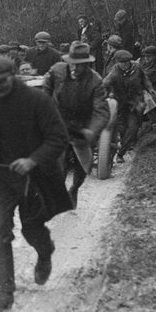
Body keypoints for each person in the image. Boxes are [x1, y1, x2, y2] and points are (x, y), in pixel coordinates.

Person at [0, 55, 72, 312]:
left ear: (15, 75)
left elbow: (58, 138)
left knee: (32, 231)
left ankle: (45, 252)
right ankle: (6, 292)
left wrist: (32, 160)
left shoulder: (37, 101)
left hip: (33, 180)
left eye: (2, 81)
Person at [42, 42, 110, 209]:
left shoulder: (95, 81)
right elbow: (46, 87)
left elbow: (102, 112)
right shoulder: (57, 70)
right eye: (72, 63)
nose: (74, 68)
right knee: (58, 161)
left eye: (79, 65)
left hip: (82, 125)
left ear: (87, 64)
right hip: (59, 120)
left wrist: (91, 131)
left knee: (82, 168)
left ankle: (74, 188)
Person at [102, 49, 154, 163]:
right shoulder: (114, 72)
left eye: (127, 62)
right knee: (122, 128)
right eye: (122, 62)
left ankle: (120, 154)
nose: (125, 65)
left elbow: (145, 79)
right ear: (117, 62)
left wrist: (150, 88)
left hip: (135, 102)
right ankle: (125, 143)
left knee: (133, 126)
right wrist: (105, 94)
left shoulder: (137, 68)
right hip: (120, 103)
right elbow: (104, 84)